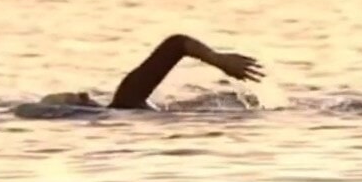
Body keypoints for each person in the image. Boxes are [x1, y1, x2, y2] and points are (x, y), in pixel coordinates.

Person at [39, 34, 264, 110]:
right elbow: (176, 44)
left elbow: (177, 44)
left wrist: (219, 59)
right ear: (86, 103)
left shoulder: (127, 99)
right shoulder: (126, 101)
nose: (84, 94)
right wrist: (218, 60)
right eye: (78, 96)